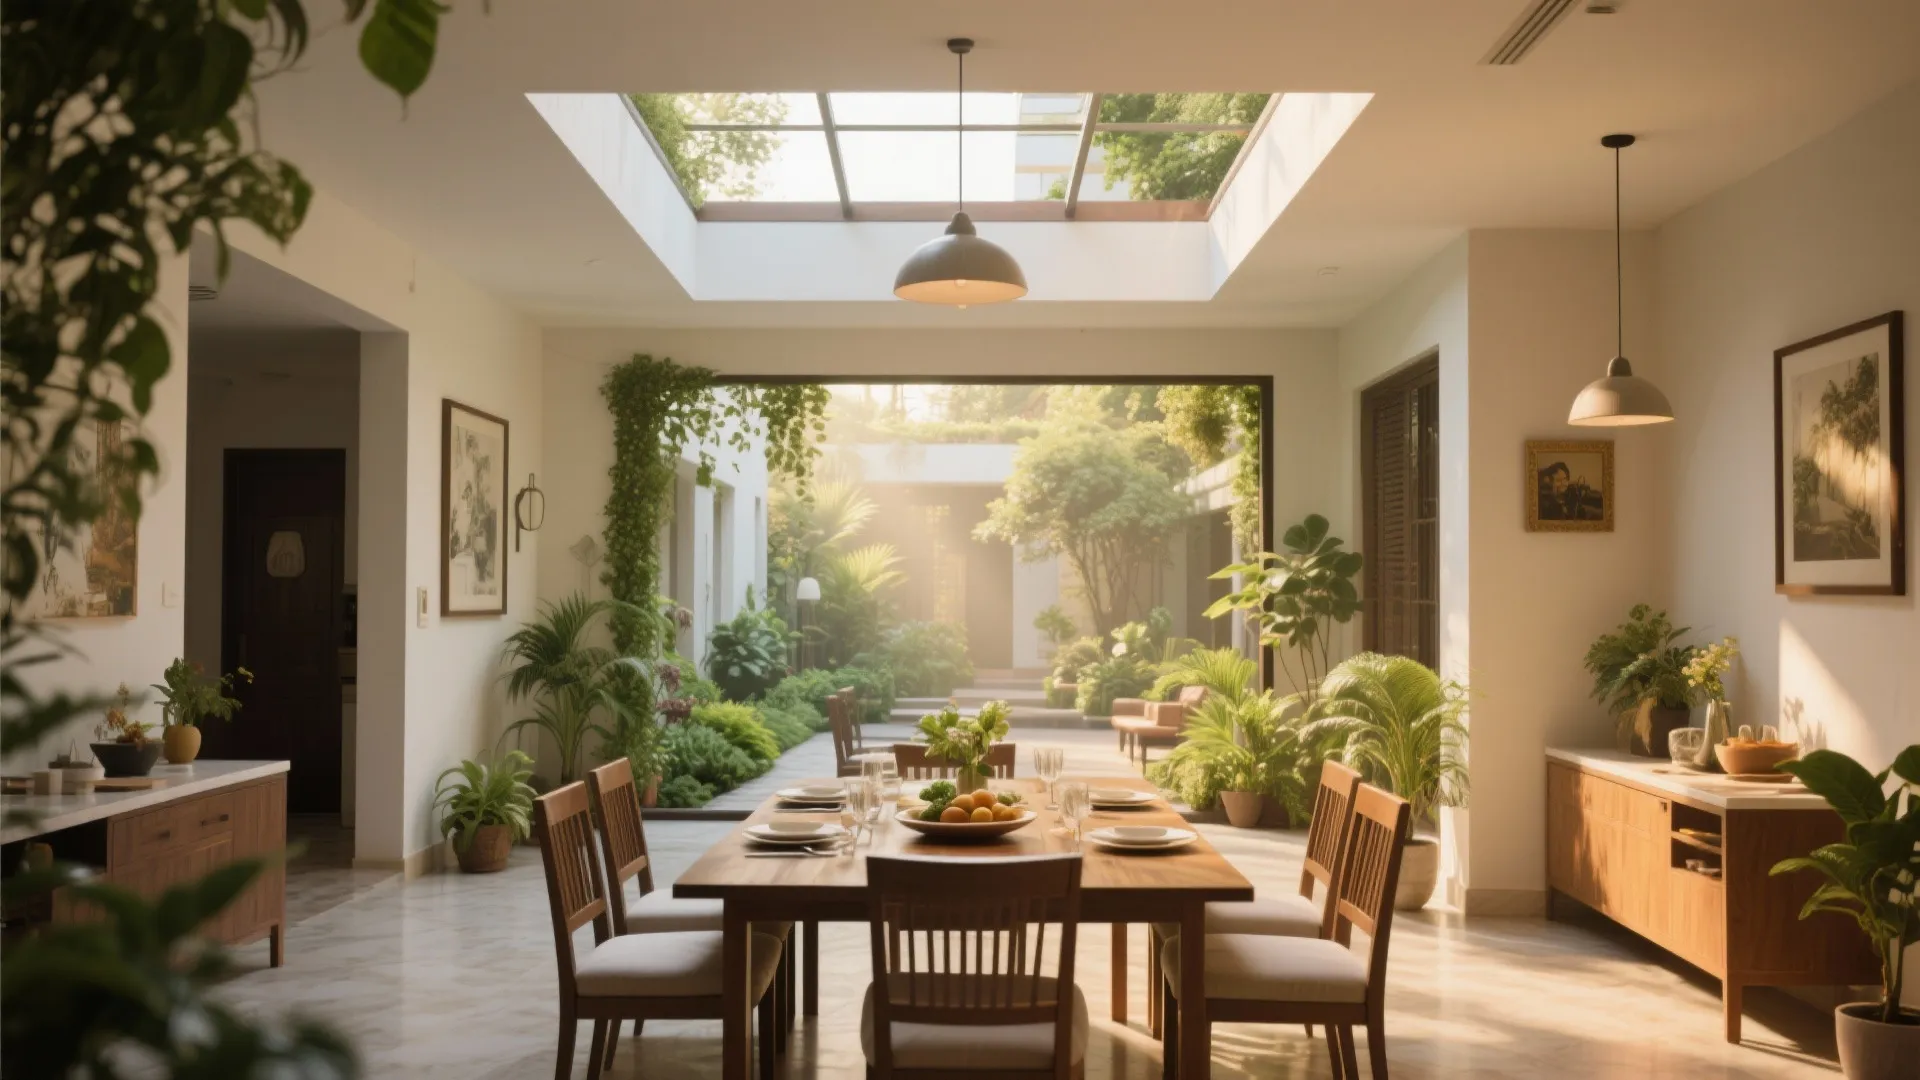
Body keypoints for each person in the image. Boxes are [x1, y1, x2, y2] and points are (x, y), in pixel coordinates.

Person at [1538, 461, 1604, 521]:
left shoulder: (1568, 495)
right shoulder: (1546, 504)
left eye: (1565, 479)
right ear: (1550, 482)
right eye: (1558, 480)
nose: (1563, 483)